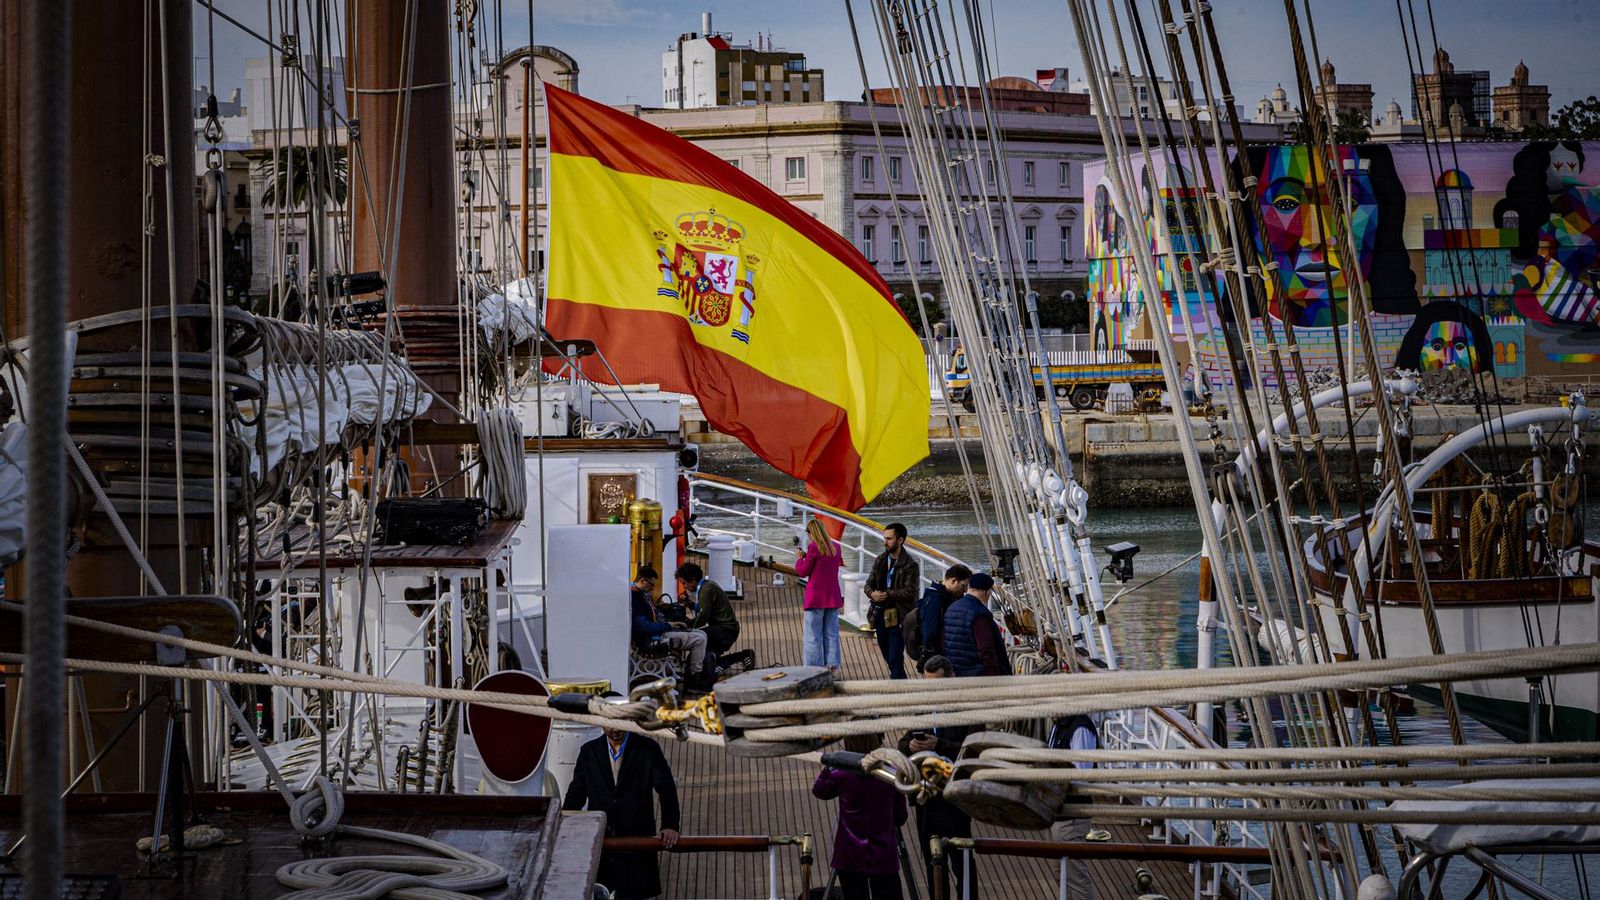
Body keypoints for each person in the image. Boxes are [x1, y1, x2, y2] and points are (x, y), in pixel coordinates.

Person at [563, 727, 681, 900]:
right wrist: (564, 826)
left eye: (619, 722)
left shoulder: (647, 748)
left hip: (637, 846)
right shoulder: (588, 752)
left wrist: (670, 825)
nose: (615, 729)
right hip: (602, 848)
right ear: (600, 723)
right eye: (609, 724)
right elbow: (576, 794)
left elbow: (666, 789)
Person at [898, 655, 977, 900]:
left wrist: (939, 744)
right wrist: (908, 746)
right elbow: (903, 742)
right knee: (933, 862)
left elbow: (974, 750)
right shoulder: (923, 708)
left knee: (961, 860)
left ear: (951, 679)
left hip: (954, 799)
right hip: (926, 801)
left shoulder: (966, 709)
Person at [813, 732, 908, 900]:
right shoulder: (891, 774)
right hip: (883, 856)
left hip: (849, 855)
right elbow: (900, 817)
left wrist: (830, 764)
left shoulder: (840, 774)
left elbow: (819, 790)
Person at [1047, 713, 1103, 899]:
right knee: (1061, 875)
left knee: (1075, 878)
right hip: (1056, 812)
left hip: (1072, 816)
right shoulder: (1059, 724)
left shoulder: (1080, 728)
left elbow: (1080, 774)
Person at [630, 566, 711, 691]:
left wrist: (671, 623)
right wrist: (668, 625)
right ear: (642, 581)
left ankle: (694, 674)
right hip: (652, 639)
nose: (653, 588)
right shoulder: (635, 599)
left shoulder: (642, 595)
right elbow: (643, 626)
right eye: (651, 585)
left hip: (659, 632)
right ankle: (694, 678)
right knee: (699, 639)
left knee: (701, 634)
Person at [865, 523, 920, 679]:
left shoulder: (910, 564)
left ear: (900, 540)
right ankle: (901, 683)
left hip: (899, 615)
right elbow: (869, 584)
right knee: (888, 655)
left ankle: (899, 689)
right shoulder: (881, 560)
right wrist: (872, 594)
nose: (885, 542)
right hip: (880, 612)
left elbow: (910, 591)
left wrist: (887, 594)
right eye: (885, 538)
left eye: (889, 539)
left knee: (895, 656)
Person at [794, 517, 844, 674]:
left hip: (816, 598)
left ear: (811, 533)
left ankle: (813, 669)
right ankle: (834, 667)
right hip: (833, 596)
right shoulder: (836, 547)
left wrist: (799, 559)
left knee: (813, 636)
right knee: (832, 634)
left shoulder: (813, 548)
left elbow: (803, 571)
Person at [940, 573, 1011, 678]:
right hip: (976, 674)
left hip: (956, 670)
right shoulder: (980, 613)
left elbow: (944, 641)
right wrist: (995, 677)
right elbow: (986, 649)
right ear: (987, 592)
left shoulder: (952, 608)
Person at [675, 561, 742, 659]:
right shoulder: (707, 585)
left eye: (684, 583)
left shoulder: (706, 590)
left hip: (725, 631)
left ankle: (739, 657)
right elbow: (706, 608)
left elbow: (702, 618)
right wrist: (689, 603)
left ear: (693, 580)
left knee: (696, 639)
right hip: (727, 628)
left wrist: (685, 627)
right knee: (706, 652)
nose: (684, 587)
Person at [914, 565, 972, 671]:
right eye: (964, 585)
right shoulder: (934, 601)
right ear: (953, 581)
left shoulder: (946, 597)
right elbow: (930, 633)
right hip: (938, 657)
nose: (965, 590)